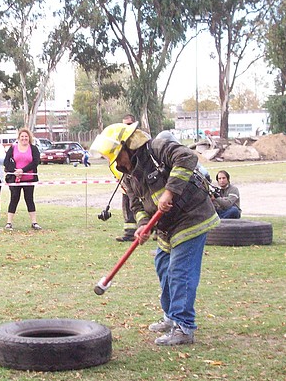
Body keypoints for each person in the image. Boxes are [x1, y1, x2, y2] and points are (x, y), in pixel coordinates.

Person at [91, 123, 219, 346]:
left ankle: (184, 326)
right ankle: (171, 316)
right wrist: (143, 225)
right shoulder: (127, 173)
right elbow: (136, 204)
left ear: (127, 147)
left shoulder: (157, 148)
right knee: (163, 265)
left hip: (191, 216)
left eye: (116, 155)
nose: (115, 162)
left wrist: (169, 192)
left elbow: (187, 158)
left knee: (180, 270)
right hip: (166, 226)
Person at [3, 127, 41, 230]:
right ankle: (9, 222)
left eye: (26, 136)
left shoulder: (33, 149)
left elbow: (36, 162)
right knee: (14, 199)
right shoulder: (13, 148)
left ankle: (34, 222)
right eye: (22, 136)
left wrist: (22, 170)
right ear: (19, 137)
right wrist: (15, 171)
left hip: (29, 178)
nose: (24, 138)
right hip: (15, 179)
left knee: (29, 199)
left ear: (29, 137)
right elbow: (6, 162)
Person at [116, 114, 138, 242]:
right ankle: (130, 233)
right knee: (128, 203)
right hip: (127, 178)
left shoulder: (139, 139)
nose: (126, 127)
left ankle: (157, 231)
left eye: (129, 124)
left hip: (141, 178)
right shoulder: (121, 140)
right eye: (124, 125)